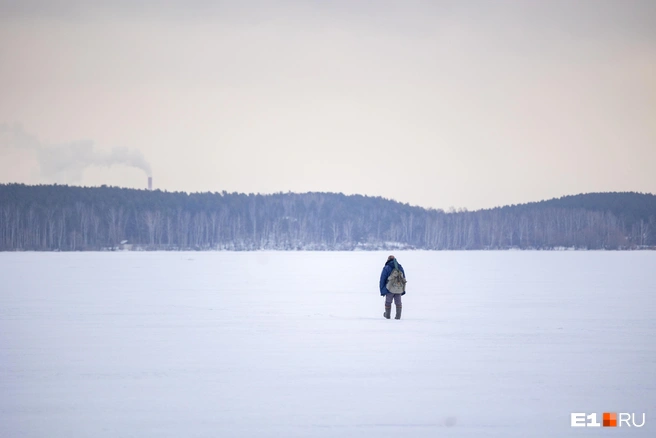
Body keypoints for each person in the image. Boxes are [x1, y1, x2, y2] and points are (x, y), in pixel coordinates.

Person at [379, 255, 406, 319]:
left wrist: (382, 290)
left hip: (389, 288)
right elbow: (403, 278)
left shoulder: (387, 267)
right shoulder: (399, 267)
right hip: (398, 288)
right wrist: (403, 289)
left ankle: (387, 316)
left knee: (388, 302)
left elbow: (382, 279)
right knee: (398, 303)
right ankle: (398, 317)